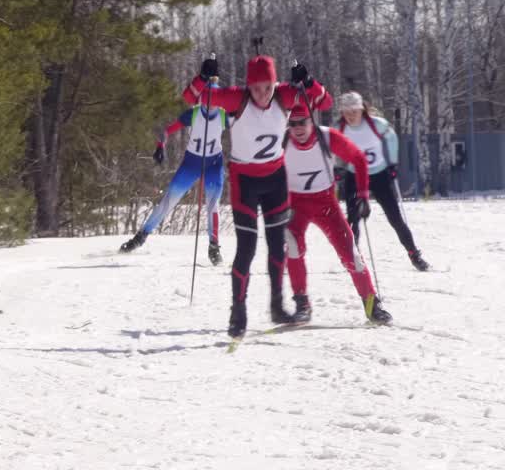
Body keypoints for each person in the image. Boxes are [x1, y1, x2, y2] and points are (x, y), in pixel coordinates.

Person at [183, 55, 333, 338]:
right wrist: (203, 77)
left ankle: (277, 305)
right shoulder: (235, 99)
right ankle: (237, 311)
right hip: (245, 181)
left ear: (275, 83)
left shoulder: (286, 95)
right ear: (247, 86)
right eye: (256, 88)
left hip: (276, 179)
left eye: (267, 87)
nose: (262, 94)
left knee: (278, 247)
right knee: (247, 248)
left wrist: (308, 81)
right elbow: (191, 98)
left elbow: (324, 103)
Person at [282, 102, 392, 324]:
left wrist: (362, 195)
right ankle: (302, 303)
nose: (298, 129)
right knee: (292, 247)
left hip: (326, 204)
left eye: (302, 122)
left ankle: (372, 305)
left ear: (311, 121)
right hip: (295, 205)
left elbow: (358, 158)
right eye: (292, 124)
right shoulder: (281, 141)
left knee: (350, 254)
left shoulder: (327, 137)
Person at [119, 96, 228, 265]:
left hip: (214, 164)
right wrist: (160, 145)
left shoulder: (223, 116)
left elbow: (245, 126)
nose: (211, 102)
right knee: (168, 201)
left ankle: (213, 247)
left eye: (215, 97)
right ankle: (140, 237)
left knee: (213, 204)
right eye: (207, 97)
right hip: (192, 163)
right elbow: (167, 130)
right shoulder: (193, 114)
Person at [334, 91, 431, 271]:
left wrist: (392, 163)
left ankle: (414, 254)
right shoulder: (339, 128)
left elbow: (392, 137)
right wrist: (338, 167)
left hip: (378, 174)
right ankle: (351, 257)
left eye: (354, 111)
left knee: (394, 217)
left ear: (361, 109)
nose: (350, 116)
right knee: (352, 219)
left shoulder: (376, 124)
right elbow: (332, 147)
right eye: (346, 112)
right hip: (354, 175)